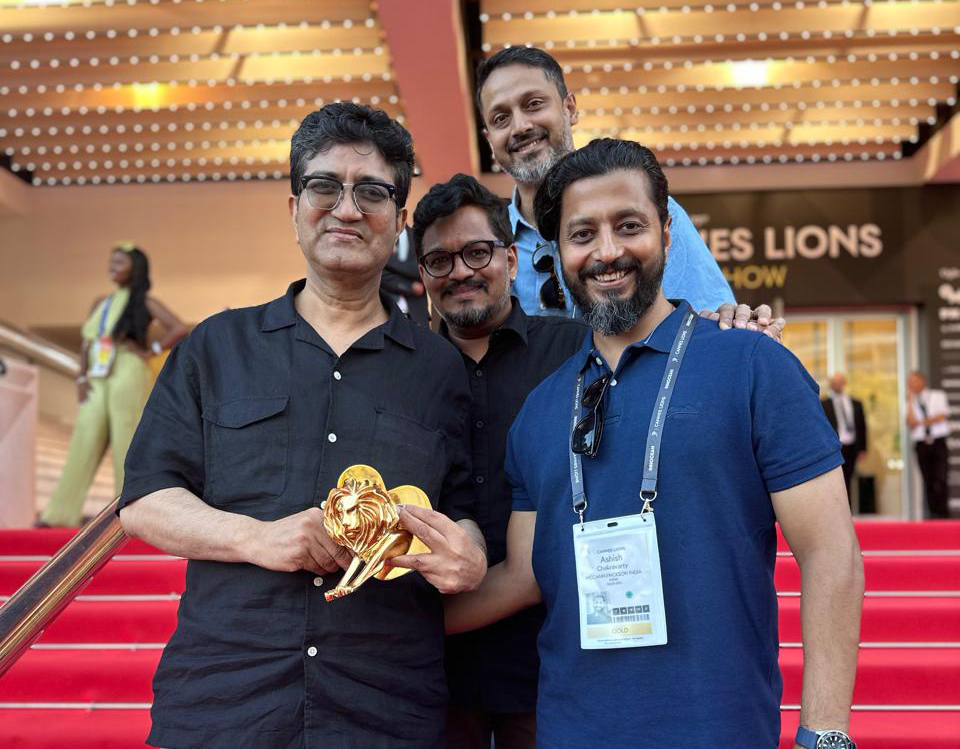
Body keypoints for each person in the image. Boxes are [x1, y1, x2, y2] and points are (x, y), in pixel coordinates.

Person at [440, 139, 864, 749]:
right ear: (557, 252)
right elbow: (523, 576)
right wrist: (374, 625)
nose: (607, 251)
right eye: (582, 234)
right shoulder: (539, 412)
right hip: (568, 732)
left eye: (629, 226)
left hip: (718, 731)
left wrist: (825, 735)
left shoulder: (754, 366)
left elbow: (830, 554)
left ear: (666, 233)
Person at [117, 103, 487, 749]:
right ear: (294, 209)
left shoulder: (441, 370)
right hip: (224, 706)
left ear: (399, 221)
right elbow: (145, 499)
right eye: (324, 187)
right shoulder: (216, 347)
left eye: (372, 191)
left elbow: (465, 507)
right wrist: (257, 537)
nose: (347, 209)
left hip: (385, 709)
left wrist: (470, 555)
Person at [476, 46, 754, 327]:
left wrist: (744, 325)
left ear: (569, 108)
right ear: (489, 140)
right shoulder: (488, 243)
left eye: (534, 104)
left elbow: (713, 324)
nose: (520, 126)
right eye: (501, 118)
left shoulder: (651, 211)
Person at [38, 243, 186, 528]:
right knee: (84, 437)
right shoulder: (100, 302)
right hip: (97, 374)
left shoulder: (144, 302)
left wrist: (151, 351)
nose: (112, 266)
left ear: (135, 268)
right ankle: (58, 514)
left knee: (126, 439)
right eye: (111, 261)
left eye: (119, 262)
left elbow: (179, 328)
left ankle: (128, 516)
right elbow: (87, 343)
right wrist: (81, 377)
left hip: (127, 371)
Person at [906, 370, 952, 518]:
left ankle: (944, 514)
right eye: (909, 382)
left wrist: (921, 422)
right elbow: (910, 423)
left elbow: (942, 416)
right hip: (921, 445)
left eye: (913, 381)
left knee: (941, 478)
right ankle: (933, 515)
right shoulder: (909, 402)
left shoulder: (938, 396)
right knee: (928, 480)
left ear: (922, 381)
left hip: (938, 443)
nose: (911, 384)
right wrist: (910, 401)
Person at [821, 373, 868, 502]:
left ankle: (849, 508)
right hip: (835, 447)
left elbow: (862, 427)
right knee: (836, 480)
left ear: (844, 383)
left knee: (849, 478)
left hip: (852, 446)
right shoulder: (824, 404)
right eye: (834, 382)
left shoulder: (856, 403)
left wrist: (863, 449)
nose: (837, 385)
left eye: (839, 381)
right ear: (831, 384)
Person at [381, 226, 430, 325]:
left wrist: (388, 264)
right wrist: (409, 287)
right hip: (385, 315)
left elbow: (427, 268)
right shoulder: (378, 238)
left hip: (417, 314)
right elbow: (380, 274)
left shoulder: (420, 237)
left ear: (403, 218)